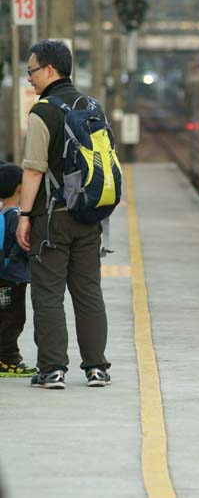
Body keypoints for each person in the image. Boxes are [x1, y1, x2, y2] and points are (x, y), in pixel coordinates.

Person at [16, 39, 111, 390]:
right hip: (89, 216)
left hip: (51, 217)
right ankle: (97, 368)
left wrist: (24, 215)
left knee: (48, 294)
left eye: (32, 71)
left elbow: (33, 169)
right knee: (88, 292)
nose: (30, 79)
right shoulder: (92, 106)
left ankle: (52, 369)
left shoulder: (43, 110)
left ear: (50, 70)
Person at [0, 162, 36, 377]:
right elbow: (25, 246)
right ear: (21, 188)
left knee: (4, 318)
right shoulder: (16, 216)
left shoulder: (3, 213)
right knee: (12, 319)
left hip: (4, 277)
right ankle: (8, 361)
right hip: (12, 279)